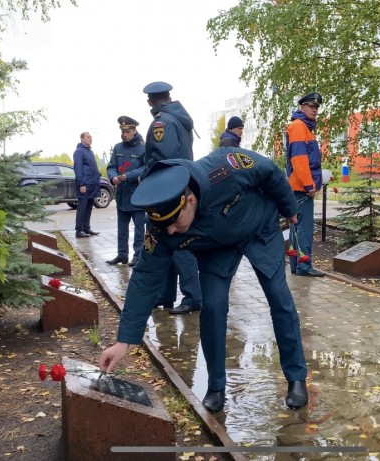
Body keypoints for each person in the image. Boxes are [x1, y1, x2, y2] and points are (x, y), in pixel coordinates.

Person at [98, 147, 309, 413]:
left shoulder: (226, 167)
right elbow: (145, 278)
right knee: (213, 306)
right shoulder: (162, 226)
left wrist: (290, 209)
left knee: (279, 299)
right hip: (215, 248)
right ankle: (216, 386)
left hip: (258, 229)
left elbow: (269, 171)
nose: (171, 232)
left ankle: (296, 377)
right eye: (165, 227)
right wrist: (124, 340)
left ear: (190, 201)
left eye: (175, 223)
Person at [141, 81, 202, 315]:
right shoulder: (178, 118)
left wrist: (144, 177)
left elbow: (161, 158)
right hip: (179, 186)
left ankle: (192, 296)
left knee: (178, 243)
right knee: (165, 240)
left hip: (168, 190)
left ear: (150, 101)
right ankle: (165, 295)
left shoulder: (162, 122)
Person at [286, 92, 324, 277]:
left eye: (317, 107)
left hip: (297, 186)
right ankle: (304, 266)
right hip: (301, 187)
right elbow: (299, 160)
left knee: (296, 226)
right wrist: (309, 185)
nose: (315, 110)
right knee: (304, 228)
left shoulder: (301, 127)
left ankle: (296, 265)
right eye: (311, 106)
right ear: (302, 107)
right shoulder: (299, 126)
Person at [106, 116, 146, 267]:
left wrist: (129, 176)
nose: (125, 134)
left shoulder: (143, 148)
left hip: (137, 195)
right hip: (122, 195)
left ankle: (138, 255)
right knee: (122, 228)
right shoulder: (118, 148)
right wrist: (113, 177)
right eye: (123, 132)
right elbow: (111, 167)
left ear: (134, 131)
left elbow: (146, 167)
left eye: (128, 131)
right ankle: (122, 255)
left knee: (139, 229)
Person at [72, 132, 101, 238]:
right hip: (84, 185)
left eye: (91, 137)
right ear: (82, 139)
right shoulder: (79, 151)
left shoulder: (90, 152)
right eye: (88, 137)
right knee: (82, 208)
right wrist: (81, 184)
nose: (90, 139)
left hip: (92, 185)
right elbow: (78, 169)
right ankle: (79, 230)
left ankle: (86, 228)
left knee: (89, 207)